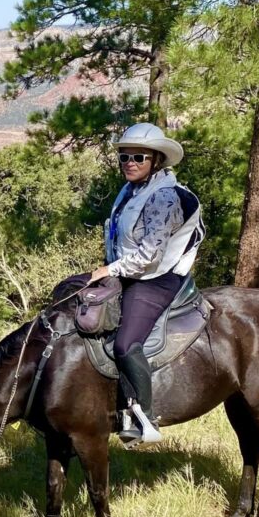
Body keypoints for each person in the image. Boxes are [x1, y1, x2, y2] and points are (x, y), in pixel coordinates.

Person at [89, 122, 205, 445]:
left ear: (156, 160)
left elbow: (149, 257)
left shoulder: (164, 197)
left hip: (158, 278)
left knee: (126, 343)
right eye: (124, 157)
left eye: (138, 157)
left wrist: (109, 270)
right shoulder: (131, 190)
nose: (130, 163)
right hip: (129, 273)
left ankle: (144, 416)